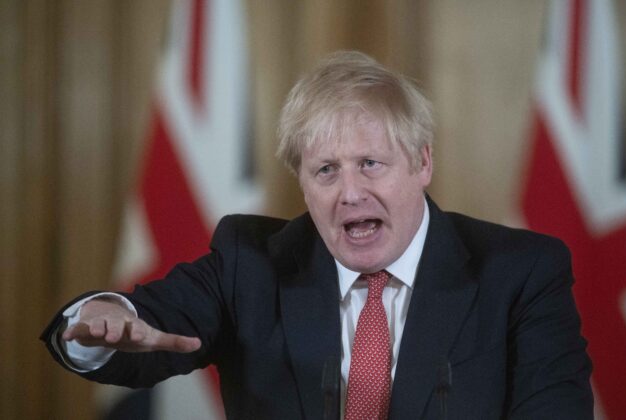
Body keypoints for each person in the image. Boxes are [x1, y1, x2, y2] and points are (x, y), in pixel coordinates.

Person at [42, 51, 593, 419]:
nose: (349, 192)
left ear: (423, 163)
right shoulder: (249, 263)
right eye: (325, 170)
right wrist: (102, 322)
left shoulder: (520, 272)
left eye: (371, 163)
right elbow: (146, 328)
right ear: (302, 182)